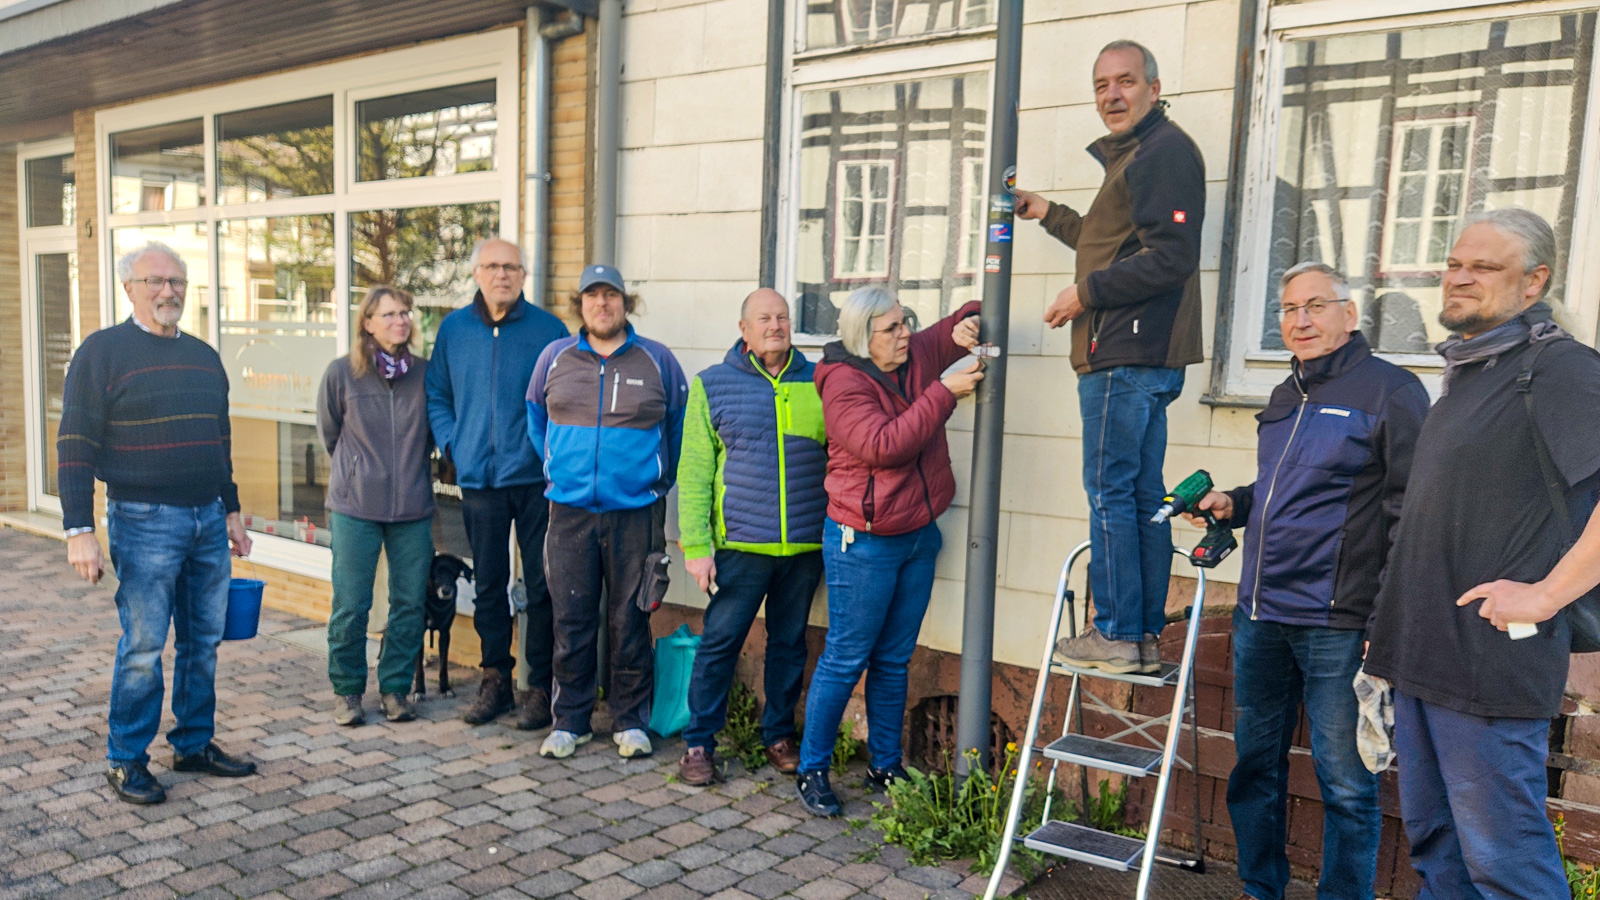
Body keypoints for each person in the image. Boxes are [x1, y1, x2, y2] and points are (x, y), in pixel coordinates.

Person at [1365, 208, 1599, 899]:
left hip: (1489, 666)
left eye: (1484, 267)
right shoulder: (1468, 374)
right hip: (1421, 661)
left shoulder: (1558, 369)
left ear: (1535, 282)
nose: (1460, 278)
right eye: (1454, 264)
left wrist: (1546, 594)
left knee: (1505, 867)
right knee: (1440, 856)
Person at [1186, 263, 1429, 900]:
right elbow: (1282, 493)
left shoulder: (1393, 393)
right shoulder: (1285, 394)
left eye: (1315, 306)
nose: (1300, 320)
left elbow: (1410, 520)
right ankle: (1259, 888)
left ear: (1350, 314)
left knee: (1347, 784)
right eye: (1289, 309)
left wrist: (1387, 622)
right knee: (1253, 767)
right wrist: (1230, 504)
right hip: (1259, 617)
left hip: (1338, 625)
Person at [1013, 40, 1206, 674]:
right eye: (1100, 86)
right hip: (1140, 354)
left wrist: (1083, 295)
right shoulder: (1136, 157)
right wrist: (1045, 212)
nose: (1111, 96)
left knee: (1110, 493)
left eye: (1124, 82)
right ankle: (1143, 637)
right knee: (1139, 494)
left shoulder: (1163, 152)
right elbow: (1108, 240)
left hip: (1125, 353)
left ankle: (1118, 632)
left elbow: (1170, 256)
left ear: (1154, 85)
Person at [58, 241, 257, 805]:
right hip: (143, 519)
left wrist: (233, 511)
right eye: (155, 282)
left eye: (176, 281)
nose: (168, 291)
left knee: (203, 641)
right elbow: (74, 443)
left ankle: (193, 742)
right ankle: (126, 759)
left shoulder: (204, 357)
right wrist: (79, 530)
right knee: (144, 644)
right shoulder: (101, 353)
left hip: (208, 518)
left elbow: (218, 443)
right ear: (130, 289)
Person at [794, 288, 983, 817]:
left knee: (894, 658)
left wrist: (969, 321)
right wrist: (943, 392)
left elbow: (949, 327)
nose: (905, 335)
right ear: (863, 338)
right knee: (847, 656)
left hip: (919, 532)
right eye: (892, 329)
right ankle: (812, 768)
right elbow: (884, 445)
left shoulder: (912, 351)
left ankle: (885, 764)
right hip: (865, 541)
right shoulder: (844, 383)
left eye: (905, 323)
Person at [526, 264, 688, 760]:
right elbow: (536, 418)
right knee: (570, 617)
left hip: (637, 513)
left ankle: (629, 720)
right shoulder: (554, 359)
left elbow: (676, 429)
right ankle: (569, 721)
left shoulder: (657, 360)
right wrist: (561, 470)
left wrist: (654, 479)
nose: (602, 305)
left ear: (625, 303)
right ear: (580, 306)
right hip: (569, 511)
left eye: (611, 296)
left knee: (630, 617)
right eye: (592, 297)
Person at [675, 289, 827, 785]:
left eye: (782, 317)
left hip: (804, 545)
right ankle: (699, 742)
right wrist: (696, 549)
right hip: (740, 546)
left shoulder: (819, 380)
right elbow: (695, 471)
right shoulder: (713, 384)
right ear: (744, 329)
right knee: (720, 642)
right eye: (763, 318)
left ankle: (778, 734)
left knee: (789, 645)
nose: (775, 325)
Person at [426, 238, 568, 729]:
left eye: (510, 266)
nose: (501, 274)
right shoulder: (454, 329)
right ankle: (495, 680)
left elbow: (566, 399)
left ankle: (537, 686)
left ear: (523, 275)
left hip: (534, 479)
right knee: (488, 582)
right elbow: (437, 394)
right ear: (477, 274)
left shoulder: (550, 331)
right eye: (491, 266)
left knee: (541, 583)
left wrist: (550, 452)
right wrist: (452, 444)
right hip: (479, 481)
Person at [317, 286, 436, 727]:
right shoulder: (342, 373)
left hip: (412, 507)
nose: (400, 321)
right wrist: (356, 472)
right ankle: (347, 691)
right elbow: (330, 434)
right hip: (355, 507)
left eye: (405, 312)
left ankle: (394, 689)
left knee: (408, 604)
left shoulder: (425, 373)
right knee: (351, 603)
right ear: (367, 322)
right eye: (388, 314)